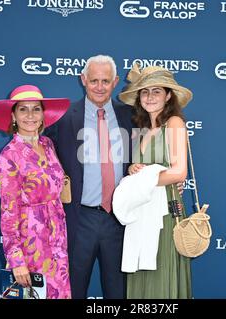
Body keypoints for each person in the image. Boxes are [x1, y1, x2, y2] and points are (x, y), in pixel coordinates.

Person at [44, 55, 133, 299]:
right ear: (83, 79)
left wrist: (170, 178)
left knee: (119, 294)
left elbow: (155, 146)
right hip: (78, 219)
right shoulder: (62, 117)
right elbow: (39, 152)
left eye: (105, 81)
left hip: (120, 220)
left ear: (115, 82)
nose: (100, 87)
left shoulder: (132, 116)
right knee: (72, 291)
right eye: (94, 80)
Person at [0, 84, 72, 299]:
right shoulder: (9, 156)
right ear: (13, 116)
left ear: (43, 115)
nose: (30, 115)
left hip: (57, 241)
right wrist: (17, 262)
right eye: (23, 109)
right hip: (30, 244)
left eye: (36, 109)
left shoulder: (48, 144)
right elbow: (8, 213)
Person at [118, 63, 193, 299]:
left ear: (168, 95)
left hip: (164, 214)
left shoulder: (174, 123)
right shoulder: (142, 129)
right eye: (145, 91)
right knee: (142, 268)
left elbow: (179, 172)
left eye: (156, 91)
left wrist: (144, 178)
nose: (150, 97)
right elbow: (147, 169)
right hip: (142, 213)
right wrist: (133, 168)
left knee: (162, 272)